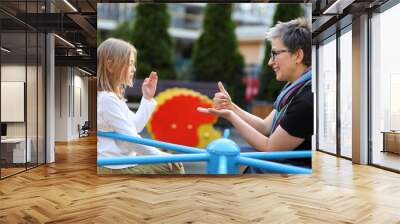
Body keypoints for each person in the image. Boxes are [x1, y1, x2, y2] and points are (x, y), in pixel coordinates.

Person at [198, 18, 312, 173]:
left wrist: (231, 117)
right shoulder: (295, 87)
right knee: (233, 155)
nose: (270, 62)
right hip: (285, 162)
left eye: (275, 54)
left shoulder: (307, 98)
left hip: (295, 173)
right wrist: (231, 107)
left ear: (298, 55)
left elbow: (269, 147)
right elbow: (265, 127)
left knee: (231, 159)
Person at [97, 38, 184, 174]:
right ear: (110, 65)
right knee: (172, 168)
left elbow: (135, 126)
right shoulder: (107, 99)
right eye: (130, 64)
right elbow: (132, 140)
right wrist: (161, 156)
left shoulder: (112, 98)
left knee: (171, 161)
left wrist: (147, 98)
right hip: (113, 167)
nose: (134, 68)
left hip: (120, 164)